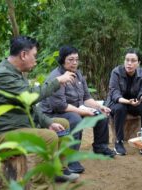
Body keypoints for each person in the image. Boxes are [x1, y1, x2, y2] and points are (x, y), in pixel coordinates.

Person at [0, 36, 78, 189]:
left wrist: (48, 122)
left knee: (63, 124)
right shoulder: (2, 75)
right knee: (48, 137)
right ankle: (41, 186)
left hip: (16, 127)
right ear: (24, 55)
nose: (36, 60)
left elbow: (30, 107)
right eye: (35, 55)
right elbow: (30, 97)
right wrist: (57, 81)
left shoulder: (15, 73)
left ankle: (58, 170)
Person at [40, 45, 116, 174]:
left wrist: (99, 106)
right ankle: (71, 158)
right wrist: (84, 112)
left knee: (101, 114)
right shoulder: (57, 77)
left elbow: (86, 97)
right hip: (54, 113)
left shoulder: (78, 74)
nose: (74, 63)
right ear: (62, 60)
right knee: (75, 119)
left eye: (76, 59)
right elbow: (60, 106)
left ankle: (100, 146)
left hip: (74, 108)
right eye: (70, 59)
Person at [106, 48, 142, 156]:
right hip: (118, 102)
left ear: (138, 63)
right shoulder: (116, 72)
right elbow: (114, 93)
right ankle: (119, 142)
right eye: (127, 60)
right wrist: (127, 101)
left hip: (134, 103)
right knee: (120, 108)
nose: (129, 63)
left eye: (133, 61)